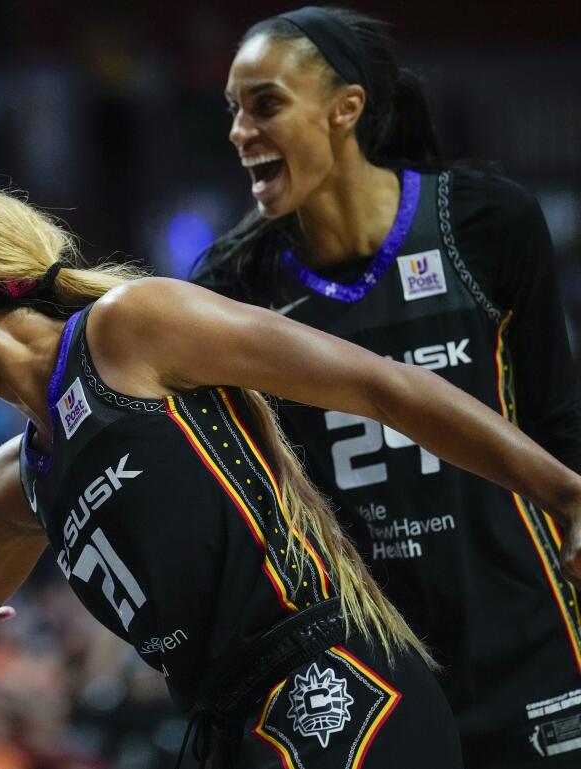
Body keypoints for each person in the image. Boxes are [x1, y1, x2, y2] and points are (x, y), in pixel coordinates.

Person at [0, 183, 581, 768]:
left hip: (337, 685)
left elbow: (382, 385)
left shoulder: (131, 331)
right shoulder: (15, 484)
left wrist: (567, 491)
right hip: (231, 723)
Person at [192, 7, 581, 767]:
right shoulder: (231, 287)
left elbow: (556, 419)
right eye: (233, 110)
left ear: (346, 107)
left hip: (527, 632)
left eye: (265, 104)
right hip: (372, 669)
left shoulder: (486, 222)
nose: (240, 130)